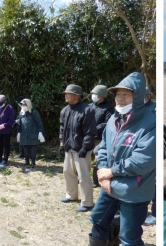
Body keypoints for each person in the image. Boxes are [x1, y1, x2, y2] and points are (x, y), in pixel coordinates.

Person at [89, 73, 156, 246]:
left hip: (134, 189)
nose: (120, 99)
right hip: (109, 184)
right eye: (118, 94)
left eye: (126, 94)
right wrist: (103, 172)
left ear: (138, 97)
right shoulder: (113, 119)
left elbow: (143, 160)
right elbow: (103, 147)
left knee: (129, 236)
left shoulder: (151, 123)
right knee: (98, 220)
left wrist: (110, 172)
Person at [60, 84, 97, 212]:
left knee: (84, 176)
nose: (65, 95)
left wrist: (85, 148)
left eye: (68, 93)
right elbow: (62, 129)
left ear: (76, 96)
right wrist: (61, 144)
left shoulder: (87, 110)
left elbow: (90, 132)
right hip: (69, 147)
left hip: (82, 149)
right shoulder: (65, 110)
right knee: (67, 172)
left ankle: (87, 202)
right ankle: (71, 195)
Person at [88, 85, 115, 188]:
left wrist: (95, 128)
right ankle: (82, 177)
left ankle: (96, 180)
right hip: (88, 136)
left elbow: (107, 123)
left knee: (97, 159)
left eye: (96, 94)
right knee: (85, 158)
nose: (93, 96)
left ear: (101, 96)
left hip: (100, 138)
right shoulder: (90, 106)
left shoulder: (109, 108)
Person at [16, 98, 44, 173]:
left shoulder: (34, 112)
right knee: (25, 148)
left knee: (33, 149)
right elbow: (19, 124)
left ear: (28, 105)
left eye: (24, 105)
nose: (23, 106)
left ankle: (33, 162)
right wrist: (19, 132)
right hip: (24, 134)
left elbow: (39, 123)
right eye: (22, 105)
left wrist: (40, 132)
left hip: (33, 134)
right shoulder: (21, 113)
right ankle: (27, 161)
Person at [0, 94, 15, 168]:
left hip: (7, 131)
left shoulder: (10, 108)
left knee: (6, 145)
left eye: (1, 103)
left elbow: (11, 121)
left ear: (5, 101)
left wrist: (3, 125)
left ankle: (5, 159)